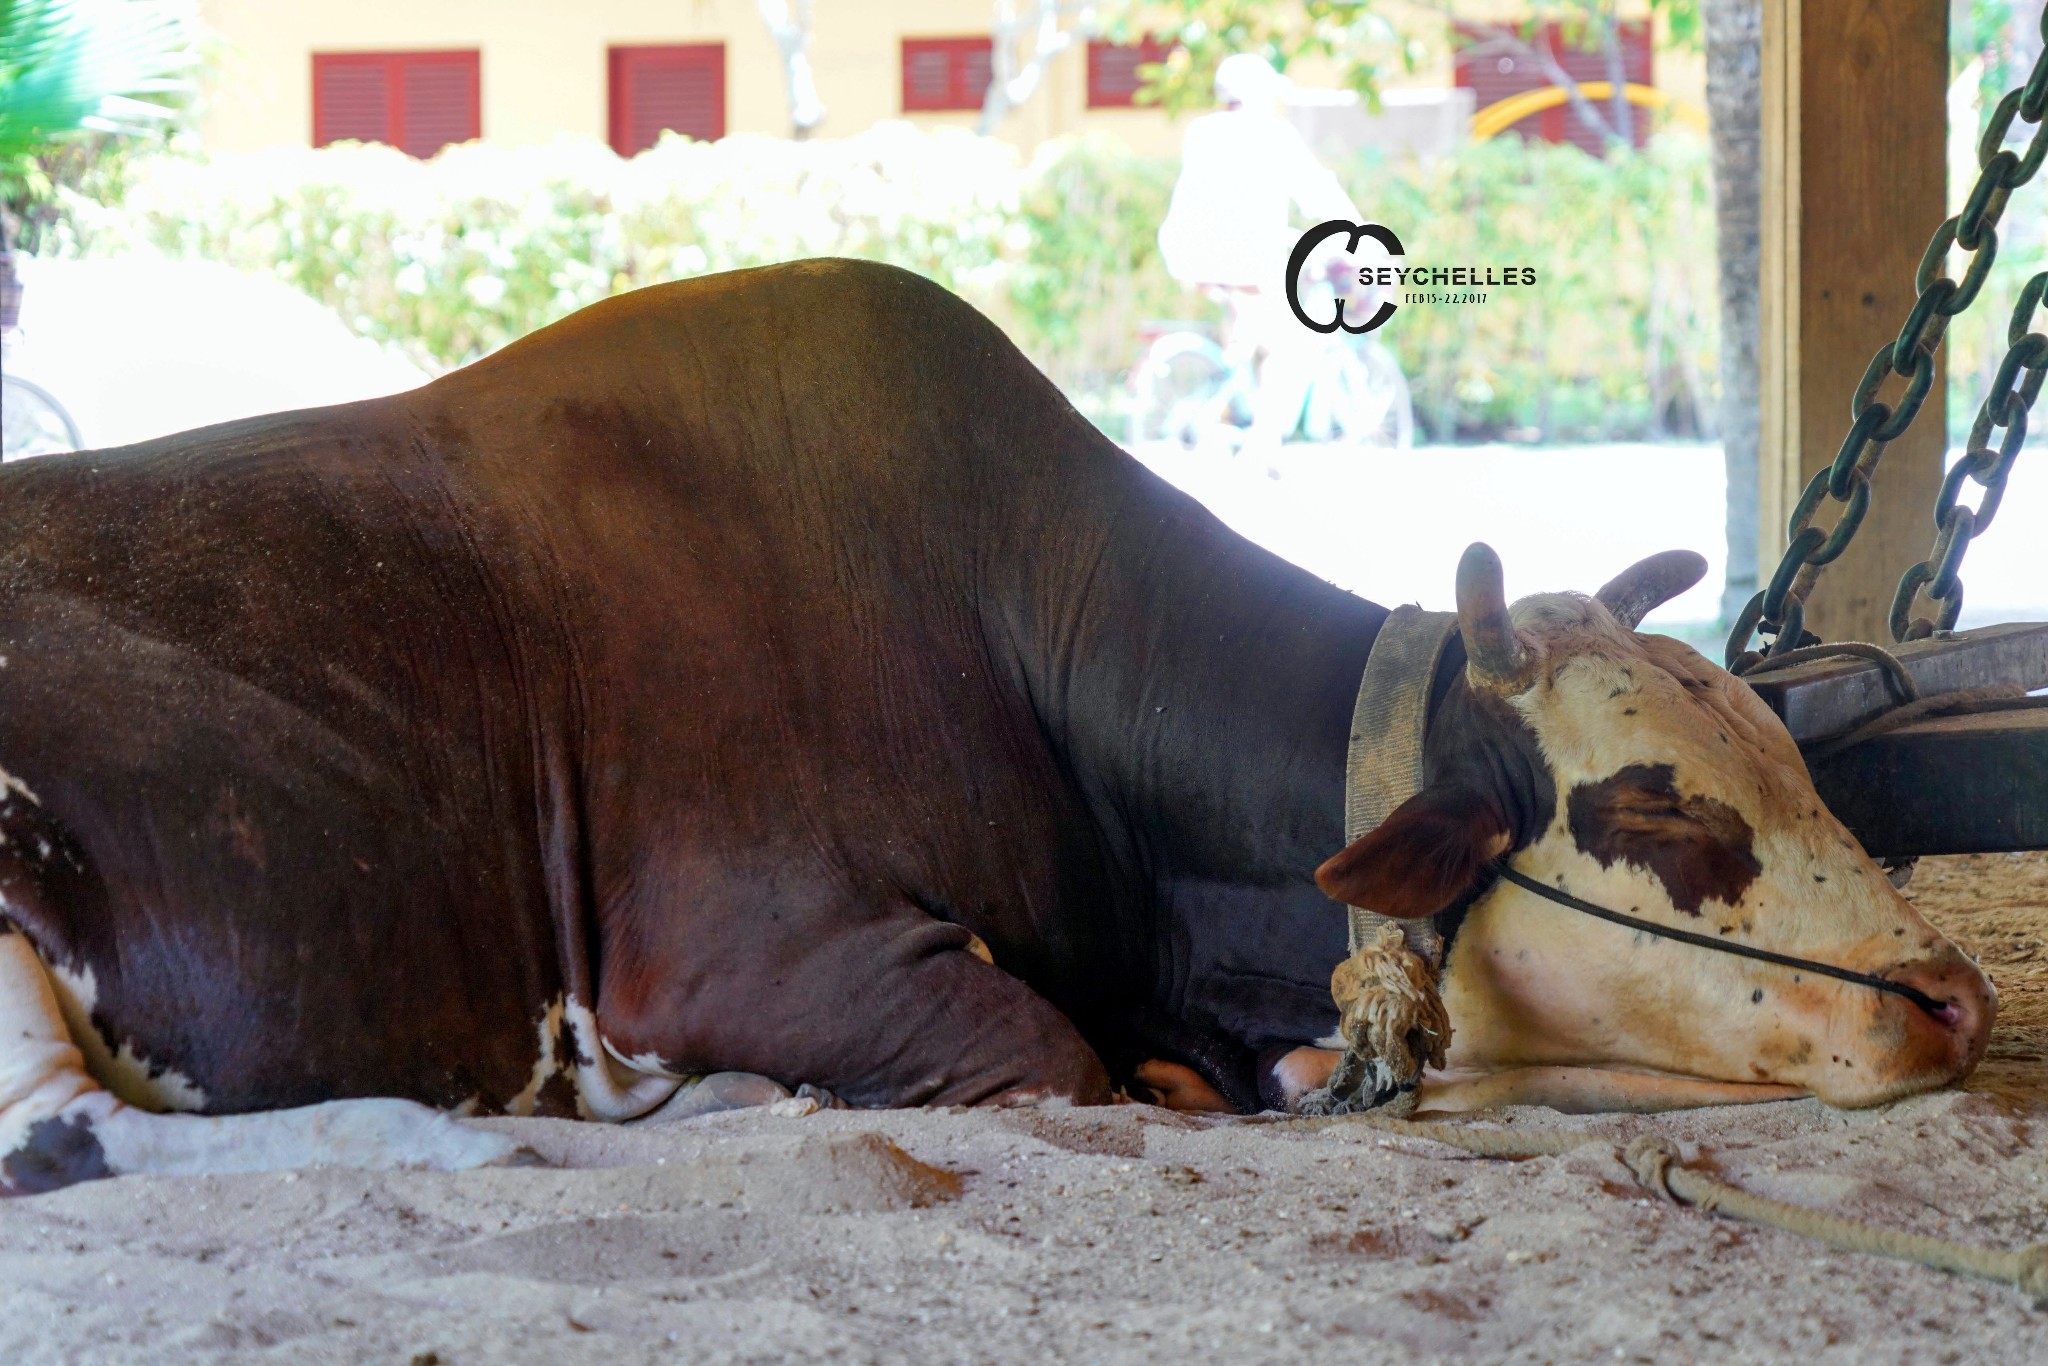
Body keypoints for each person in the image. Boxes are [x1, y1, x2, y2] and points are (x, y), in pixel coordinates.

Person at [1157, 54, 1376, 458]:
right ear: (1259, 93)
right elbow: (1316, 190)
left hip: (1189, 252)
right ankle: (1263, 441)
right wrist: (1357, 229)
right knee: (1286, 344)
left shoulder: (1201, 131)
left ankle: (1238, 391)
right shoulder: (1273, 134)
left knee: (1252, 326)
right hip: (1244, 256)